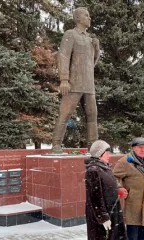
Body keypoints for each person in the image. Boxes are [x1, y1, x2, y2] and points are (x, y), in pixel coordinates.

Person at [51, 7, 101, 153]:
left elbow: (92, 63)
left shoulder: (90, 39)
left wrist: (96, 50)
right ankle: (56, 144)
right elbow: (63, 56)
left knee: (92, 116)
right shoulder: (70, 34)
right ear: (78, 18)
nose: (89, 18)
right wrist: (64, 79)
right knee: (65, 113)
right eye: (86, 15)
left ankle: (94, 146)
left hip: (88, 84)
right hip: (73, 83)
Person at [113, 137, 144, 240]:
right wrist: (119, 188)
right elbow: (113, 177)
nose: (143, 150)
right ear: (133, 148)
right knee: (132, 237)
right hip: (132, 207)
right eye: (140, 147)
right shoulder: (124, 162)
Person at [85, 140, 128, 240]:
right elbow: (95, 197)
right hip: (102, 217)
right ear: (99, 154)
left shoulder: (104, 168)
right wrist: (103, 217)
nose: (109, 156)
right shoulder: (93, 170)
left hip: (112, 212)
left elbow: (108, 188)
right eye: (107, 153)